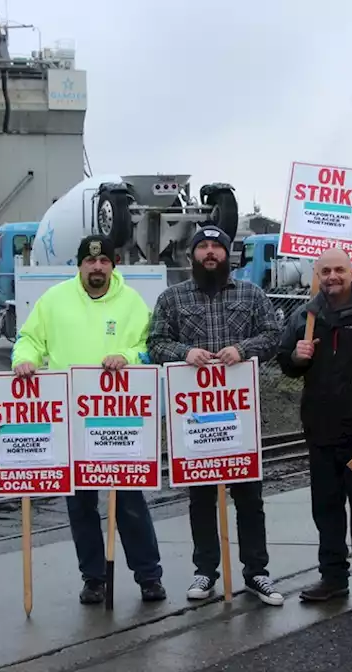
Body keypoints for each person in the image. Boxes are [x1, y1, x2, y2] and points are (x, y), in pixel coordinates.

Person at [10, 235, 168, 604]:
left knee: (128, 500)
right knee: (81, 504)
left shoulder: (132, 303)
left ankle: (149, 576)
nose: (97, 268)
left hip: (120, 420)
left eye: (104, 262)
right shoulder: (54, 301)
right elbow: (30, 339)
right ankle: (93, 577)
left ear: (113, 265)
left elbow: (149, 344)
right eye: (89, 262)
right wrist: (25, 359)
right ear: (79, 265)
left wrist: (126, 355)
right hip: (73, 419)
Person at [147, 225, 285, 606]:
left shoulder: (251, 294)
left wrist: (242, 349)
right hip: (195, 419)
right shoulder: (171, 299)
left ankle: (257, 572)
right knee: (201, 498)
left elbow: (275, 335)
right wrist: (183, 352)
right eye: (203, 247)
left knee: (249, 498)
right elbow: (155, 342)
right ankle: (205, 570)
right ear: (192, 255)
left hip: (239, 416)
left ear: (228, 255)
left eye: (217, 247)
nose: (210, 253)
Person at [276, 248, 352, 613]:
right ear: (317, 275)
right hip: (320, 428)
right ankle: (333, 578)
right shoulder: (306, 315)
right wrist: (296, 356)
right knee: (326, 509)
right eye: (325, 271)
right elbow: (285, 360)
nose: (332, 277)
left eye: (339, 269)